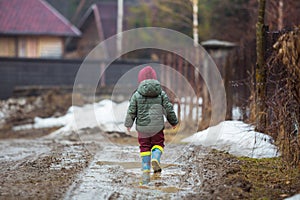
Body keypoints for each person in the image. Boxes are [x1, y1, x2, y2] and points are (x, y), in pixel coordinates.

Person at [124, 66, 178, 185]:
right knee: (158, 144)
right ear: (155, 78)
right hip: (157, 127)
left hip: (142, 128)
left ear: (140, 79)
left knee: (144, 146)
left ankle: (146, 167)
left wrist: (128, 124)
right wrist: (173, 121)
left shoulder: (137, 94)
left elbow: (131, 110)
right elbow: (168, 109)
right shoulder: (161, 93)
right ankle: (156, 158)